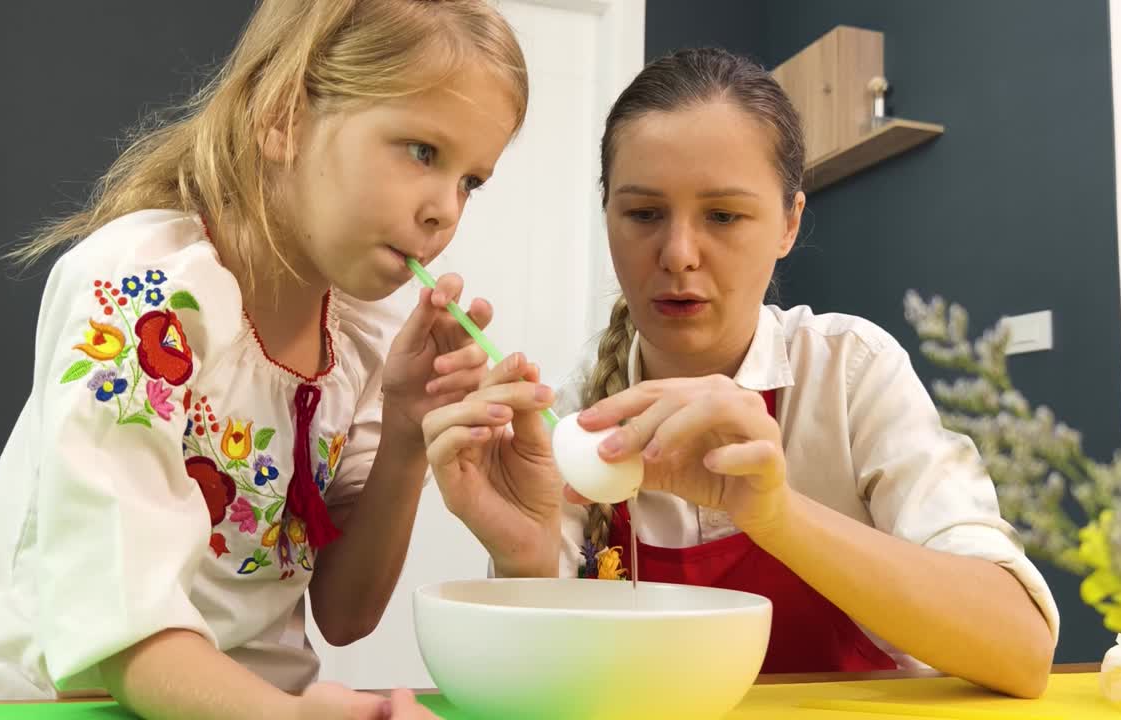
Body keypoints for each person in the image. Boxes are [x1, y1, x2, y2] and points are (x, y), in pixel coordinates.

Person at [0, 2, 527, 718]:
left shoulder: (365, 336)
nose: (445, 210)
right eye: (422, 152)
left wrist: (406, 433)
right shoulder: (141, 294)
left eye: (472, 180)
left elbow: (344, 615)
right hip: (67, 704)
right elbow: (124, 635)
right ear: (282, 117)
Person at [422, 47, 1058, 699]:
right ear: (607, 213)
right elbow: (546, 696)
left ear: (789, 223)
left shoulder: (849, 373)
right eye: (643, 213)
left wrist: (777, 514)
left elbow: (1022, 650)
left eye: (724, 215)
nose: (678, 254)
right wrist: (524, 560)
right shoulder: (570, 415)